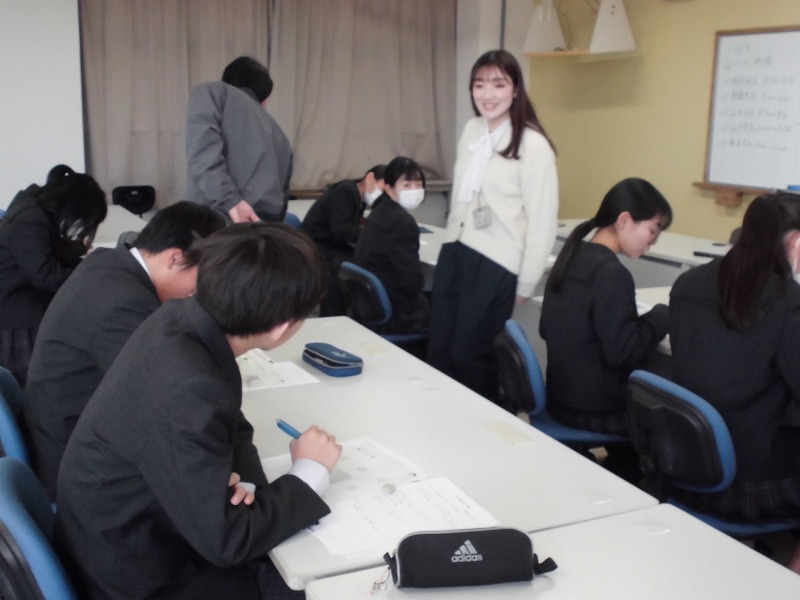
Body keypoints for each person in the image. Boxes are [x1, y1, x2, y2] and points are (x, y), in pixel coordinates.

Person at [56, 223, 342, 599]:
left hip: (125, 524)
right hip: (136, 567)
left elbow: (231, 420)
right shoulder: (190, 388)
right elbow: (228, 542)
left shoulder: (181, 320)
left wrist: (249, 484)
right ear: (281, 327)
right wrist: (309, 472)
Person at [24, 201, 225, 501]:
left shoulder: (108, 262)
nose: (197, 293)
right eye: (202, 278)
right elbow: (165, 400)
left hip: (56, 430)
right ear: (175, 258)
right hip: (72, 468)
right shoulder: (126, 304)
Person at [669, 193, 800, 558]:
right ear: (795, 240)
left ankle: (741, 549)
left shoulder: (688, 284)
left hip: (687, 465)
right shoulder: (788, 300)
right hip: (748, 487)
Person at [427, 49, 558, 402]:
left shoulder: (533, 145)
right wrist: (449, 249)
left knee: (469, 356)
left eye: (499, 84)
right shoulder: (473, 130)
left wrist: (527, 280)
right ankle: (441, 422)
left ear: (516, 90)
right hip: (456, 250)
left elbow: (543, 221)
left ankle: (483, 425)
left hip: (497, 260)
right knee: (439, 351)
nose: (487, 94)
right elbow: (461, 200)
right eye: (479, 84)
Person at [540, 178, 672, 434]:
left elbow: (545, 328)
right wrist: (660, 316)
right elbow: (624, 353)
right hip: (595, 412)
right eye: (652, 231)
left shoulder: (572, 255)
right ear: (624, 220)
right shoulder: (612, 273)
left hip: (558, 400)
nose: (652, 243)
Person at [0, 172, 106, 386]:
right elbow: (47, 277)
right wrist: (91, 274)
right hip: (17, 322)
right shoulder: (28, 223)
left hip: (22, 308)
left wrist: (88, 265)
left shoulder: (32, 209)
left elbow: (48, 257)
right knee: (45, 383)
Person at [185, 56, 293, 224]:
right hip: (261, 230)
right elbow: (282, 202)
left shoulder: (213, 93)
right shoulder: (282, 138)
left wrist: (230, 200)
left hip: (211, 222)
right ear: (265, 99)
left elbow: (202, 154)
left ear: (227, 81)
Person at [352, 156, 428, 334]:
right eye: (406, 185)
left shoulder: (379, 211)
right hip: (394, 310)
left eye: (419, 185)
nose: (415, 191)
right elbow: (413, 281)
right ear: (389, 188)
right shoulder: (402, 222)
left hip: (368, 302)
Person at [302, 164, 386, 315]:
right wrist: (369, 233)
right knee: (366, 264)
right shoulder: (345, 191)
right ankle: (339, 313)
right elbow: (341, 231)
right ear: (369, 178)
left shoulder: (357, 198)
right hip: (318, 248)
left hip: (327, 245)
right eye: (382, 189)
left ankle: (355, 310)